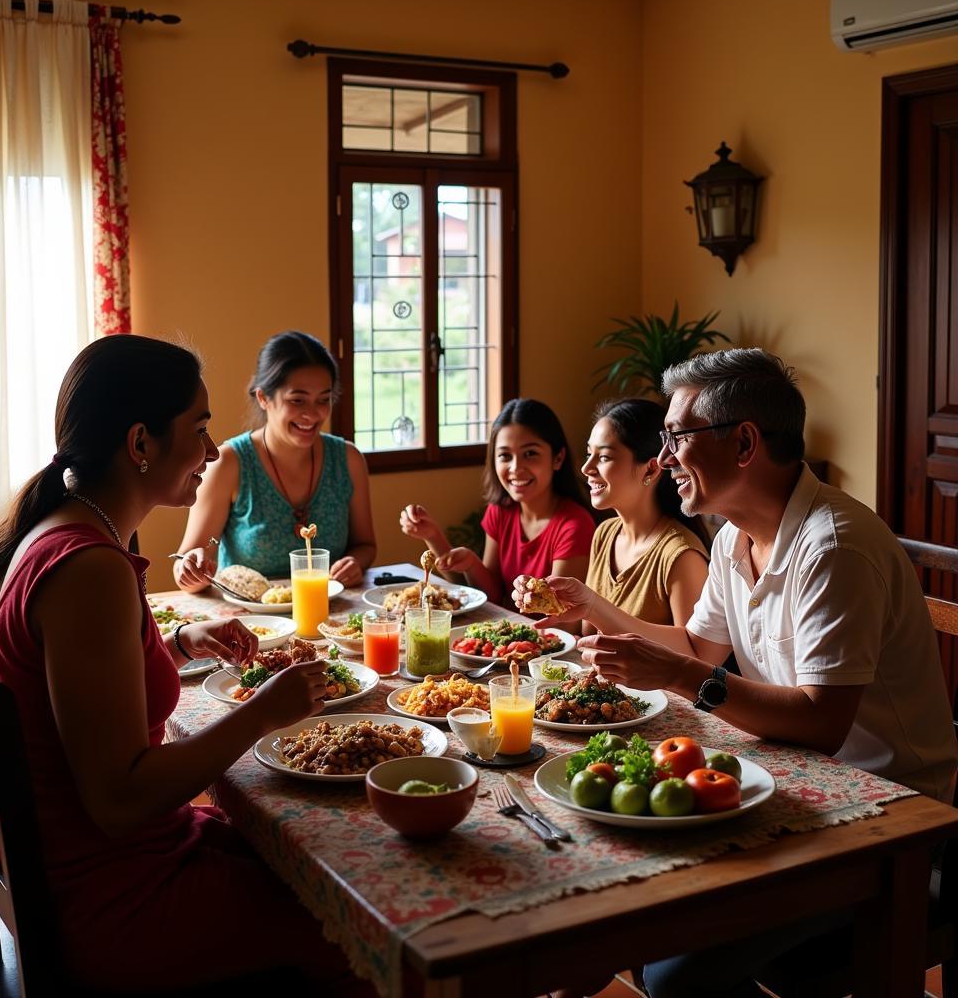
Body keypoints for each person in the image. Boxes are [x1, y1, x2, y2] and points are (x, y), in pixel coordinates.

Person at [516, 348, 958, 998]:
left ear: (745, 442)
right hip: (792, 783)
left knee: (672, 970)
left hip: (885, 818)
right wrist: (605, 617)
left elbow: (823, 723)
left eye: (675, 437)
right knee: (602, 875)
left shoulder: (833, 547)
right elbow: (697, 644)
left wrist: (680, 674)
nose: (663, 457)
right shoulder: (732, 537)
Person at [0, 335, 371, 995]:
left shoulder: (70, 531)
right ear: (140, 443)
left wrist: (175, 646)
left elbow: (77, 690)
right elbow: (122, 800)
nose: (211, 452)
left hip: (78, 859)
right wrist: (263, 713)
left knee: (320, 864)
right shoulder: (88, 567)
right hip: (105, 896)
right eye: (200, 429)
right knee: (356, 925)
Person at [175, 331, 375, 590]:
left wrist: (354, 563)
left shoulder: (348, 460)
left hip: (329, 617)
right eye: (297, 400)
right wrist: (191, 569)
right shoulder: (229, 463)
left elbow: (366, 546)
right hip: (251, 623)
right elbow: (186, 562)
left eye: (323, 400)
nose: (312, 414)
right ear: (263, 398)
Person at [401, 398, 595, 619]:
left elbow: (563, 620)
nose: (516, 468)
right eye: (504, 456)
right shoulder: (500, 511)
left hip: (548, 645)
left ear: (558, 458)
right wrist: (437, 539)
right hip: (504, 635)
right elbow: (490, 596)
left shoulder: (574, 525)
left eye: (530, 454)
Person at [582, 398, 708, 630]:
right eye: (589, 453)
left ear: (651, 468)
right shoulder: (604, 534)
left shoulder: (681, 557)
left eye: (604, 457)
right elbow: (588, 635)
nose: (586, 468)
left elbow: (694, 662)